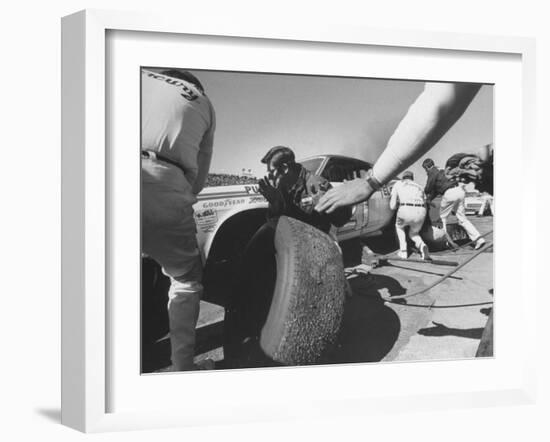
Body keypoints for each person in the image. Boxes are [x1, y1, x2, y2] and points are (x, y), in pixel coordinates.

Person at [224, 146, 352, 367]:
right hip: (296, 245)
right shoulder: (282, 186)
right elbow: (280, 223)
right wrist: (275, 202)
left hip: (320, 244)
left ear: (284, 169)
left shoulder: (315, 184)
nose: (269, 176)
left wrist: (326, 204)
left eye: (272, 171)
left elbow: (337, 220)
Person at [141, 68, 216, 371]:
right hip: (165, 179)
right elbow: (197, 178)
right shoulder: (204, 103)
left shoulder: (139, 75)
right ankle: (182, 368)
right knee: (185, 280)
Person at [315, 83, 483, 214]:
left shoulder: (429, 176)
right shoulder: (431, 176)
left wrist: (370, 182)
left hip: (437, 199)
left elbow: (439, 103)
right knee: (457, 217)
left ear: (426, 167)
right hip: (456, 193)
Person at [422, 158, 485, 249]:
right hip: (459, 191)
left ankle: (446, 242)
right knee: (462, 219)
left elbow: (428, 188)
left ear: (427, 167)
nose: (426, 171)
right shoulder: (442, 170)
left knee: (441, 218)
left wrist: (427, 198)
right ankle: (479, 239)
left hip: (450, 193)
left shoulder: (432, 171)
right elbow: (437, 188)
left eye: (425, 169)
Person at [389, 171, 430, 259]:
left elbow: (392, 206)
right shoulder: (419, 186)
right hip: (421, 212)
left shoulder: (398, 184)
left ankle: (403, 251)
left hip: (405, 210)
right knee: (414, 233)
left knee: (399, 227)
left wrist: (397, 204)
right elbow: (425, 202)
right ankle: (422, 245)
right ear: (412, 178)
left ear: (403, 177)